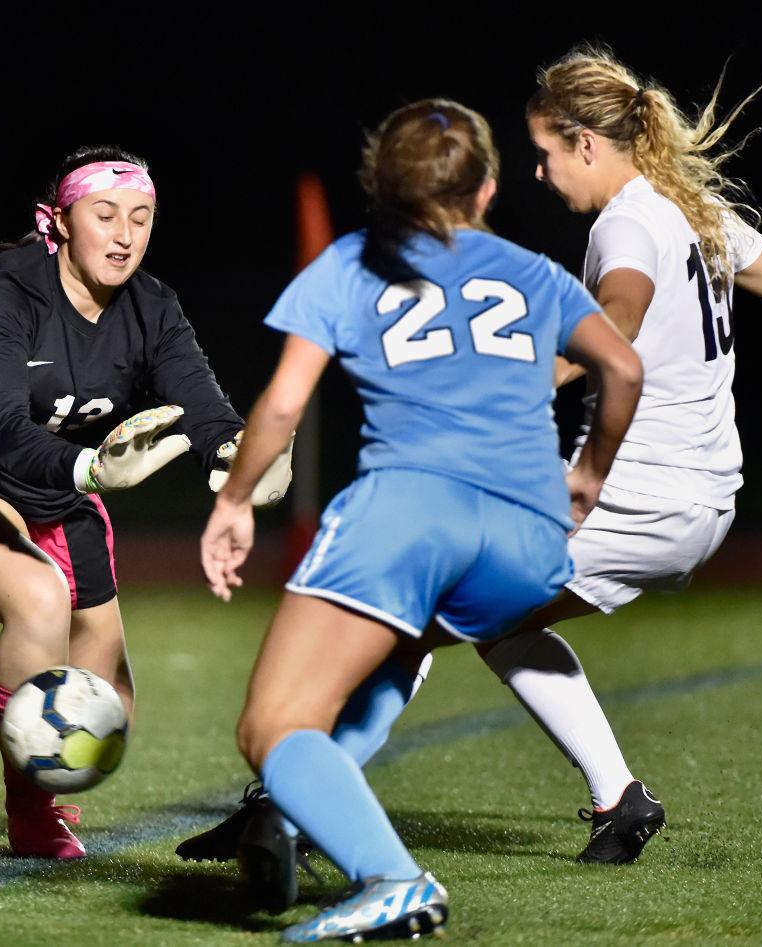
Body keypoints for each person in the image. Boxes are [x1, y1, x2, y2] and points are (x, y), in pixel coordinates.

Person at [179, 45, 762, 881]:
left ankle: (288, 804)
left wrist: (529, 374)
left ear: (587, 144)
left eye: (548, 153)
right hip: (702, 497)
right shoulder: (693, 207)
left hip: (635, 493)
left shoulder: (627, 223)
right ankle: (617, 795)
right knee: (491, 619)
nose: (540, 171)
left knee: (410, 617)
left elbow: (621, 319)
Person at [198, 99, 642, 943]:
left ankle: (392, 876)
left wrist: (231, 502)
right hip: (527, 537)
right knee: (397, 646)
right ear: (486, 191)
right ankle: (298, 822)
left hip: (409, 513)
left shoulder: (350, 265)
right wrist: (586, 474)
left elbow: (285, 401)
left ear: (381, 190)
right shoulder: (533, 269)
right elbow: (620, 365)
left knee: (271, 724)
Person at [0, 145, 290, 860]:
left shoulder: (152, 306)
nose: (125, 234)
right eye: (105, 214)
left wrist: (241, 458)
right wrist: (90, 466)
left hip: (54, 492)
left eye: (142, 217)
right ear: (57, 222)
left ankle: (48, 777)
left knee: (109, 713)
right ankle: (32, 817)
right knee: (39, 596)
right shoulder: (4, 290)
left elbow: (205, 411)